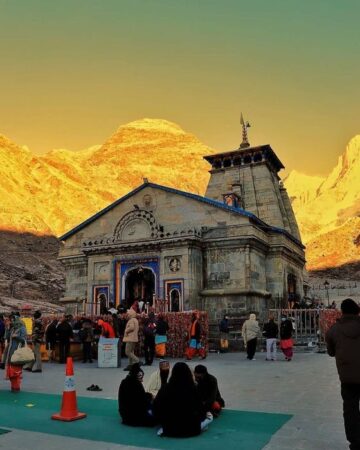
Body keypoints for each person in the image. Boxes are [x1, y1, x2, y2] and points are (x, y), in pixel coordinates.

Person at [326, 298, 360, 450]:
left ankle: (355, 441)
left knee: (350, 409)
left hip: (347, 378)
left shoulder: (333, 330)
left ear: (342, 312)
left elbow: (331, 352)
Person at [153, 362, 212, 437]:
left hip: (169, 429)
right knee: (210, 417)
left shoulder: (165, 388)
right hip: (191, 429)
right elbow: (200, 408)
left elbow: (156, 407)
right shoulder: (193, 389)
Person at [118, 362, 155, 427]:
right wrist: (150, 397)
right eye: (141, 378)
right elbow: (141, 401)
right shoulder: (137, 385)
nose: (142, 380)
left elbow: (137, 396)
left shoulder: (124, 381)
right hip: (134, 417)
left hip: (124, 415)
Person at [4, 313, 27, 392]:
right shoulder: (12, 328)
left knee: (16, 372)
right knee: (11, 372)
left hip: (17, 352)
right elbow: (6, 337)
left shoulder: (22, 328)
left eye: (13, 319)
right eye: (11, 319)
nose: (11, 321)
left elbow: (24, 340)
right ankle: (13, 387)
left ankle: (16, 387)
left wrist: (17, 337)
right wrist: (7, 328)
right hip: (10, 352)